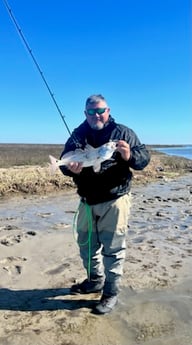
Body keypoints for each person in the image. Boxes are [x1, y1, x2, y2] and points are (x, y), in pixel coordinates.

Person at [59, 94, 150, 314]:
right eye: (91, 111)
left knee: (113, 249)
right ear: (85, 113)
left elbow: (143, 159)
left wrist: (129, 156)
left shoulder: (123, 132)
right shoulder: (78, 135)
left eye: (100, 110)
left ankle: (110, 293)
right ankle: (95, 280)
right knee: (86, 245)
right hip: (86, 200)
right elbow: (65, 160)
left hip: (115, 199)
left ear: (108, 110)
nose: (96, 115)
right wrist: (67, 168)